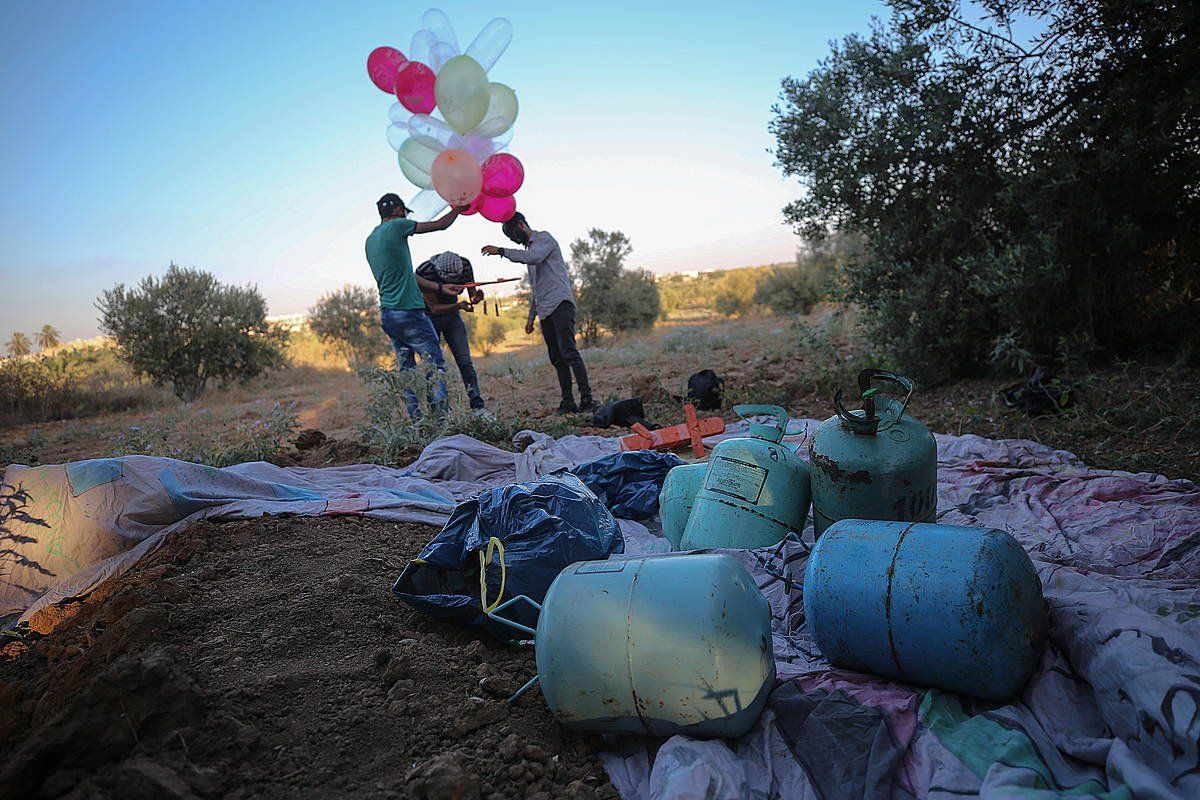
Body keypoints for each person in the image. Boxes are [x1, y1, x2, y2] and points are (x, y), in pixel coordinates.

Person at [481, 212, 594, 414]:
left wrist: (501, 251)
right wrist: (531, 317)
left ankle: (587, 400)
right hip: (545, 310)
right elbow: (536, 288)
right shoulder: (530, 251)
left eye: (514, 235)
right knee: (557, 358)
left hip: (560, 303)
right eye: (510, 240)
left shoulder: (544, 239)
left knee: (569, 352)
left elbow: (534, 258)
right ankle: (568, 402)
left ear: (521, 225)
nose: (515, 240)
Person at [365, 193, 465, 419]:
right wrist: (459, 207)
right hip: (409, 313)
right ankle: (442, 422)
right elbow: (441, 225)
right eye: (404, 212)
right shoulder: (397, 226)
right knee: (435, 366)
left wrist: (440, 288)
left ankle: (418, 422)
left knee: (408, 372)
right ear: (399, 210)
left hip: (389, 315)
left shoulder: (371, 239)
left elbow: (408, 276)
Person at [415, 251, 487, 411]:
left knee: (465, 362)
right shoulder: (426, 272)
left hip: (453, 317)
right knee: (433, 366)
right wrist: (459, 306)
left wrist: (476, 299)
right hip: (429, 317)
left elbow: (471, 294)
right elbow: (435, 308)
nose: (455, 281)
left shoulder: (466, 266)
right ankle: (438, 412)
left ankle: (478, 407)